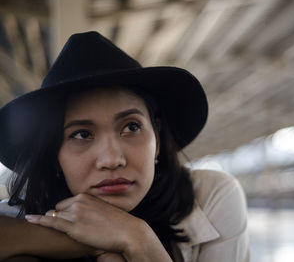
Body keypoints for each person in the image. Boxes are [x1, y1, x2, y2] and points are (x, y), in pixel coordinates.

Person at [0, 31, 249, 261]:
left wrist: (139, 238)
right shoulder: (21, 215)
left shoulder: (210, 198)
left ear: (158, 139)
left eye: (131, 127)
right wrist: (97, 241)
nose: (111, 159)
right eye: (82, 134)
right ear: (54, 156)